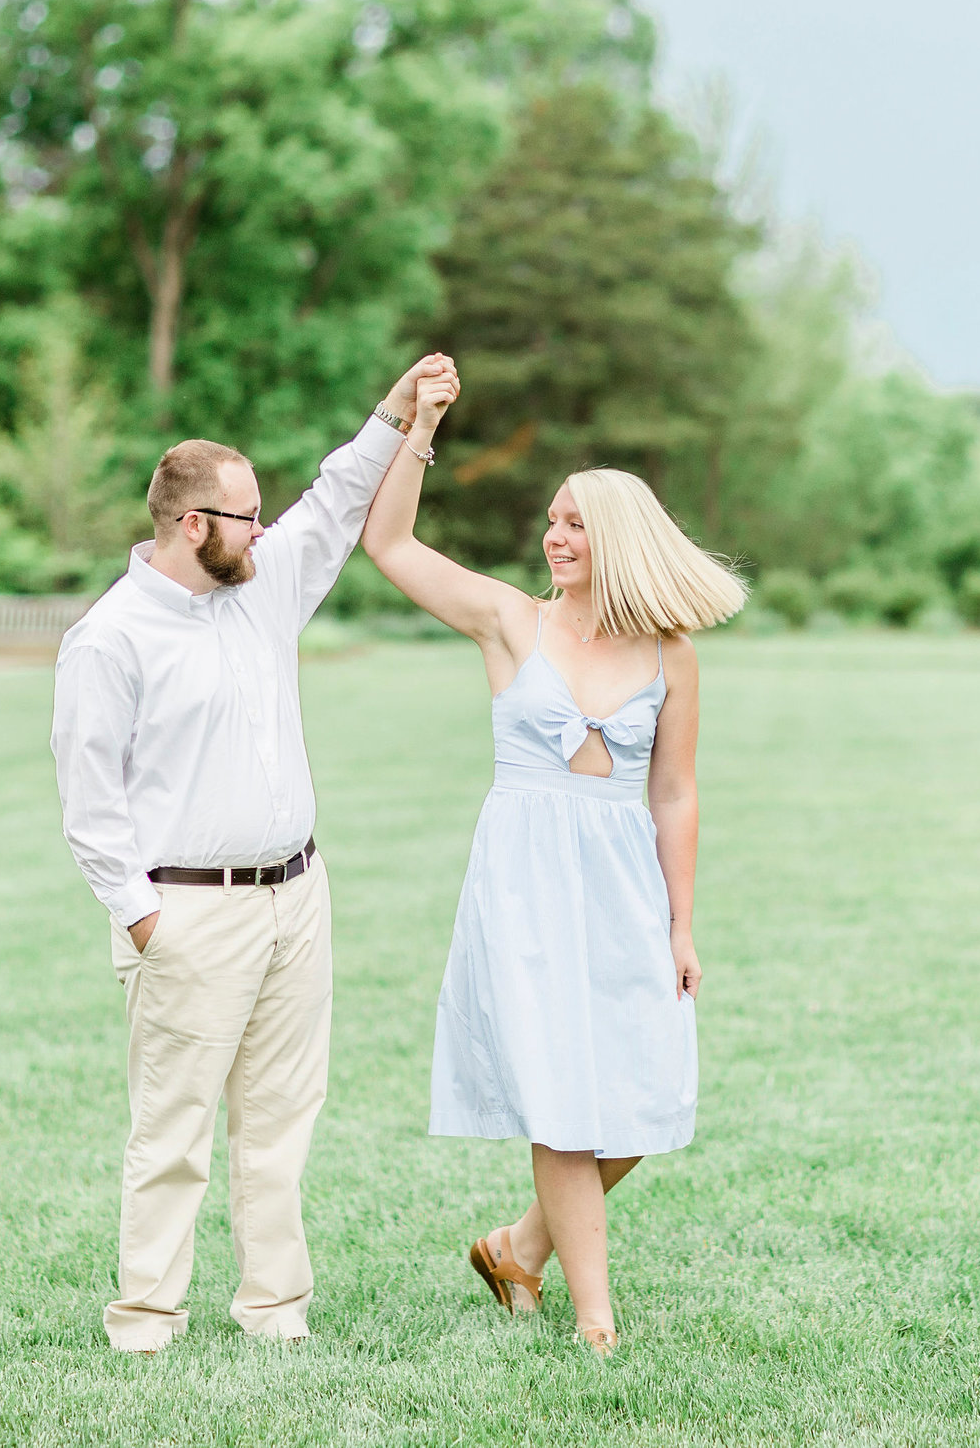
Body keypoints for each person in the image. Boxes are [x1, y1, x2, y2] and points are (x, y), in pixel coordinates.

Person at [50, 353, 457, 1354]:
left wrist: (397, 413)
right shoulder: (110, 639)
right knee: (173, 1131)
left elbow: (335, 500)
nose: (264, 529)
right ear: (193, 525)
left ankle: (276, 1313)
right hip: (189, 912)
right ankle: (145, 1321)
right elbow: (90, 803)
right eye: (244, 516)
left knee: (280, 1123)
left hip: (295, 894)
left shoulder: (261, 587)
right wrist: (146, 917)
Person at [359, 383, 748, 1354]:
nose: (554, 535)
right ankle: (595, 1317)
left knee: (648, 1095)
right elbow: (392, 547)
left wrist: (682, 922)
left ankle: (515, 1246)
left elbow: (675, 792)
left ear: (618, 535)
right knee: (563, 1093)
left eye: (574, 522)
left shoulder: (671, 655)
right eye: (550, 520)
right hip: (524, 881)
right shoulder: (508, 621)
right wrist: (421, 431)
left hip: (624, 885)